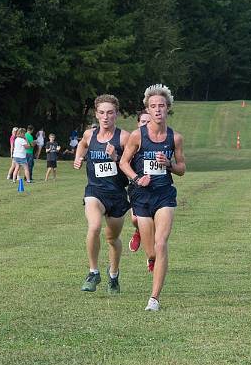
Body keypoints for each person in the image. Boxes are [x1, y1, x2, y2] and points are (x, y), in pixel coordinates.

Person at [120, 84, 186, 312]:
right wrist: (137, 179)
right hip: (141, 195)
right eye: (153, 106)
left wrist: (169, 164)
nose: (157, 110)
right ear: (147, 108)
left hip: (164, 194)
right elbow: (123, 163)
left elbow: (182, 169)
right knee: (151, 251)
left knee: (161, 243)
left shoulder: (174, 138)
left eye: (161, 106)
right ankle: (150, 258)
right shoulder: (138, 135)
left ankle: (154, 299)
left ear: (168, 108)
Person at [74, 94, 131, 295]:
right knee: (94, 226)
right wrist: (78, 158)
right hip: (95, 191)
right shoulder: (90, 135)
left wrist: (116, 157)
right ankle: (93, 272)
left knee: (112, 239)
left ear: (116, 114)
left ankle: (113, 274)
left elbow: (132, 168)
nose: (105, 117)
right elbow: (81, 145)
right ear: (96, 114)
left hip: (116, 195)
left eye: (110, 113)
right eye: (101, 113)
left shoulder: (124, 138)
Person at [128, 110, 152, 253]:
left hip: (156, 186)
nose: (146, 124)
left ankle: (152, 256)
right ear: (138, 123)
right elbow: (122, 161)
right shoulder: (133, 138)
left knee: (154, 222)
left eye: (149, 122)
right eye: (143, 122)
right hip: (136, 185)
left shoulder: (159, 139)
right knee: (136, 219)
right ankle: (138, 231)